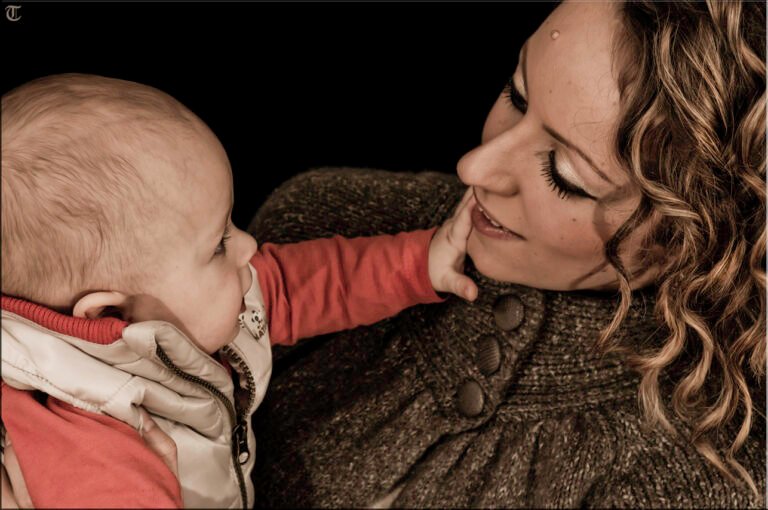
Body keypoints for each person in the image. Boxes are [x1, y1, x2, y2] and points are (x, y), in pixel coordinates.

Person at [247, 0, 766, 507]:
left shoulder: (694, 482)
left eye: (563, 175)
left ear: (698, 239)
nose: (474, 167)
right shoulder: (322, 225)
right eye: (517, 95)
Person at [0, 73, 480, 508]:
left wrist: (422, 263)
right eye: (218, 245)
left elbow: (298, 285)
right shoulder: (91, 455)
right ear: (110, 315)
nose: (248, 245)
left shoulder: (171, 312)